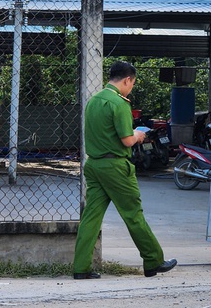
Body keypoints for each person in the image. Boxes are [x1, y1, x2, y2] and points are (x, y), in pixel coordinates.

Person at [73, 61, 177, 280]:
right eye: (132, 84)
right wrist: (139, 135)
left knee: (91, 217)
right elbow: (127, 140)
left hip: (93, 165)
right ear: (127, 80)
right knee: (133, 214)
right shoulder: (119, 103)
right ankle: (153, 260)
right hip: (115, 167)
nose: (131, 88)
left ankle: (81, 268)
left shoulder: (93, 100)